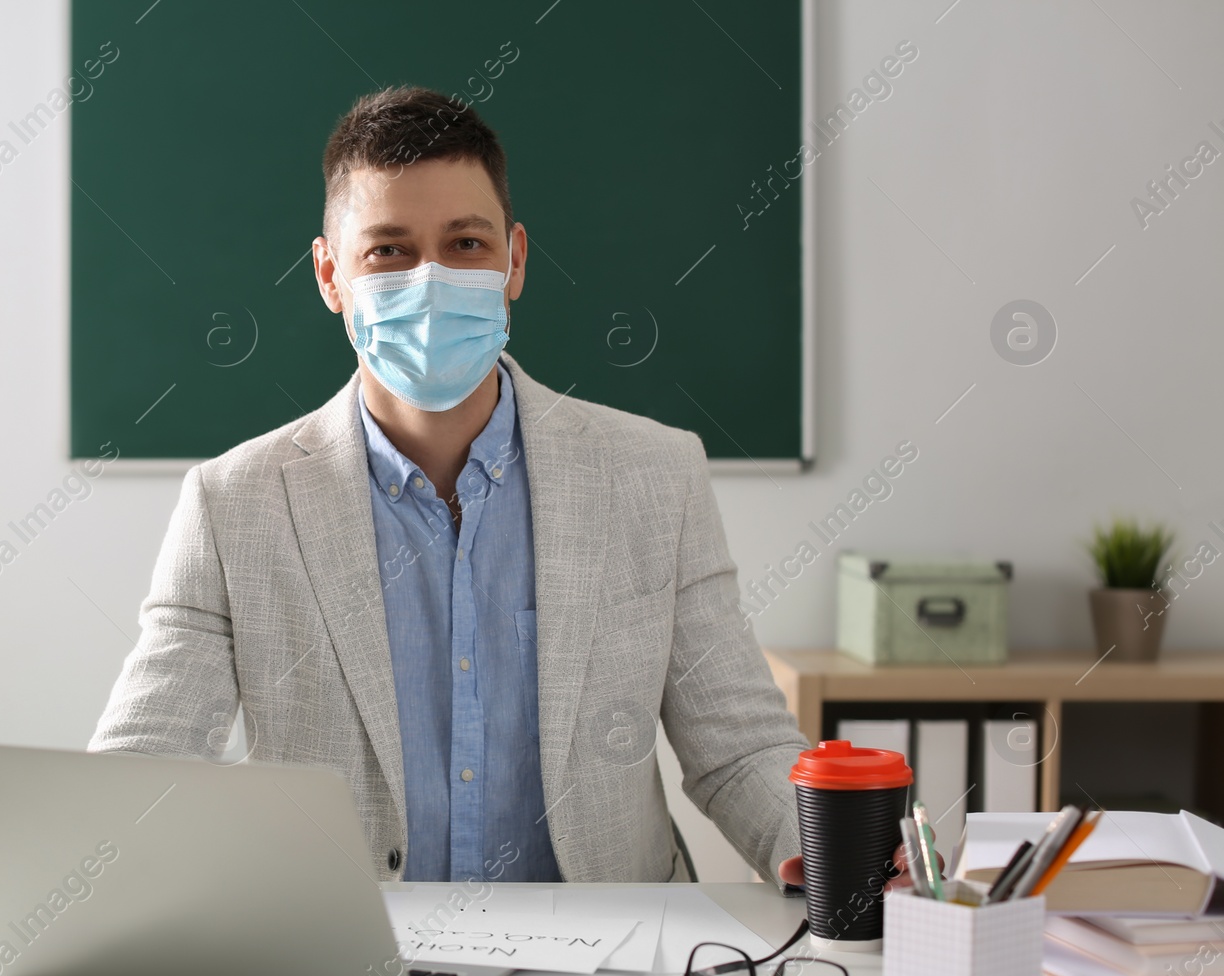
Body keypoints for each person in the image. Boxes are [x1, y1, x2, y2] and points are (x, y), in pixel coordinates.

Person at [90, 86, 831, 888]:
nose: (431, 279)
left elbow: (741, 747)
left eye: (466, 244)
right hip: (350, 975)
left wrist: (842, 856)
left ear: (515, 261)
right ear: (329, 274)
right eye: (389, 251)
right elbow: (141, 769)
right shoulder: (233, 504)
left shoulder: (656, 476)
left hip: (607, 969)